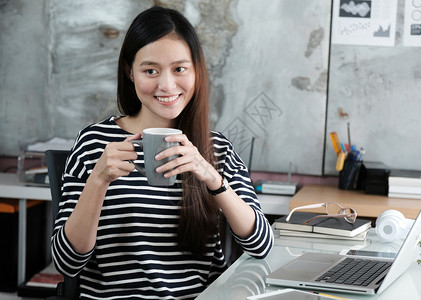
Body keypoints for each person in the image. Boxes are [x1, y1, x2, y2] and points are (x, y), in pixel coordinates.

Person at [51, 5, 274, 299]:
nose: (167, 85)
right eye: (150, 70)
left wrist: (212, 178)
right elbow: (67, 262)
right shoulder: (95, 142)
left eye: (180, 69)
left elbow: (261, 245)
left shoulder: (215, 148)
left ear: (196, 71)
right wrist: (98, 181)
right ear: (130, 72)